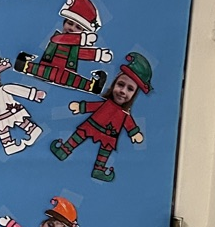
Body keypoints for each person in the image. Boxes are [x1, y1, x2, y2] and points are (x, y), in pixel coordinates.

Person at [51, 52, 153, 182]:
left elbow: (129, 123)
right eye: (120, 84)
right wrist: (81, 107)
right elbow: (94, 106)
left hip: (110, 134)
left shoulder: (124, 114)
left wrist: (134, 133)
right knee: (80, 134)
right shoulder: (106, 104)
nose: (123, 91)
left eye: (130, 89)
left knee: (106, 150)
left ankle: (99, 170)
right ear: (114, 84)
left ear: (134, 94)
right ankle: (64, 150)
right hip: (93, 124)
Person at [14, 0, 112, 94]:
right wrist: (81, 39)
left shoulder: (75, 48)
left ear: (83, 32)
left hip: (67, 74)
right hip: (48, 69)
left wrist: (97, 55)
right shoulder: (57, 38)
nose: (72, 28)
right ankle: (24, 65)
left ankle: (93, 86)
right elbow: (57, 40)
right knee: (38, 70)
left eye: (78, 27)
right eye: (70, 23)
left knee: (76, 81)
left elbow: (83, 53)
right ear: (64, 23)